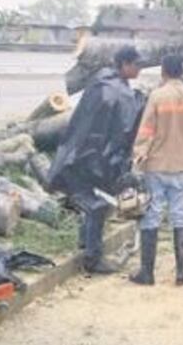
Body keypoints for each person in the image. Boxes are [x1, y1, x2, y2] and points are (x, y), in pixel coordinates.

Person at [48, 45, 144, 274]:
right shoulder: (115, 90)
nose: (139, 69)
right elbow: (120, 129)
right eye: (136, 65)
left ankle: (86, 244)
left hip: (81, 154)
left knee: (92, 203)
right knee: (97, 206)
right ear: (124, 64)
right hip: (94, 158)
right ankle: (92, 258)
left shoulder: (101, 82)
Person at [130, 55, 183, 286]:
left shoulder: (157, 96)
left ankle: (147, 272)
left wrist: (138, 156)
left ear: (163, 72)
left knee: (152, 214)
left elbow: (146, 131)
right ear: (182, 72)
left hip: (157, 164)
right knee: (181, 214)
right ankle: (182, 272)